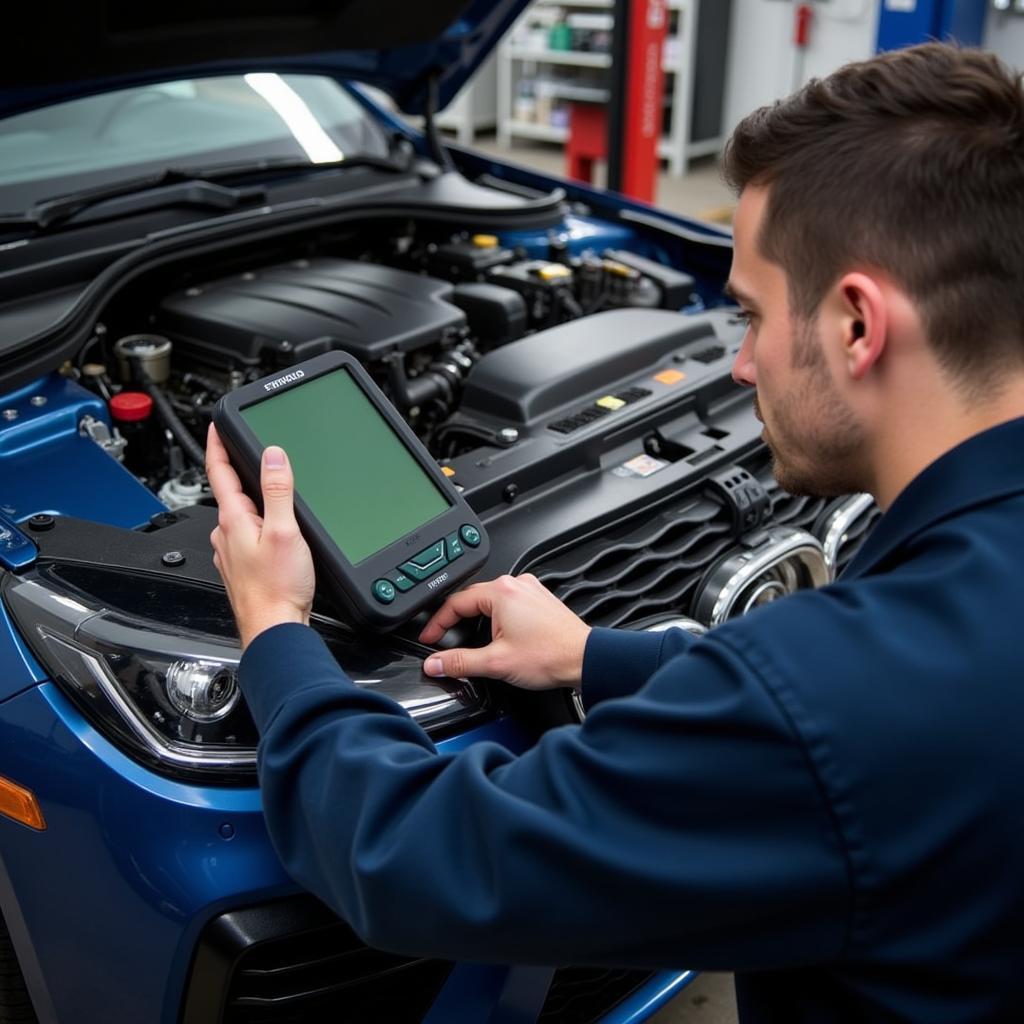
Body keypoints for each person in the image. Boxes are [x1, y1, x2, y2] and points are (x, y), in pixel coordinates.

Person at [206, 42, 1024, 1022]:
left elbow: (418, 857)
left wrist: (276, 631)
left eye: (752, 318)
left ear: (857, 324)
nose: (739, 367)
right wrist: (598, 656)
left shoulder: (842, 701)